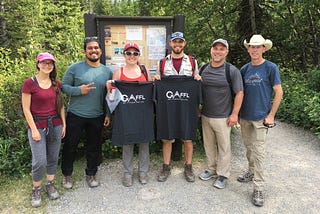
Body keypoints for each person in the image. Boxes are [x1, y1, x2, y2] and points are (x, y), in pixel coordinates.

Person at [61, 36, 112, 189]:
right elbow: (63, 87)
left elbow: (109, 96)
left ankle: (91, 174)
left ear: (101, 51)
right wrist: (79, 90)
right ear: (85, 51)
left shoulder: (107, 71)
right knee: (70, 145)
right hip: (75, 115)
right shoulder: (74, 68)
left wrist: (108, 114)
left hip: (97, 116)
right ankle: (67, 175)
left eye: (96, 48)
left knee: (93, 147)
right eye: (90, 48)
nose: (93, 50)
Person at [238, 34, 283, 207]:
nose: (255, 50)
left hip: (260, 119)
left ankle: (258, 188)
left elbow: (279, 92)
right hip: (245, 117)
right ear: (248, 49)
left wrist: (271, 115)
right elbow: (239, 93)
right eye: (252, 46)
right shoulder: (244, 69)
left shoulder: (271, 68)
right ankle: (250, 172)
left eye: (258, 47)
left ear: (264, 49)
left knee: (259, 153)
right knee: (249, 149)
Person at [154, 31, 201, 182]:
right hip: (168, 107)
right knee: (167, 138)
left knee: (188, 138)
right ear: (170, 44)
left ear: (184, 44)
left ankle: (188, 167)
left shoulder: (192, 62)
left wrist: (198, 80)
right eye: (175, 42)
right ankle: (166, 167)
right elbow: (158, 82)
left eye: (180, 42)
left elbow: (197, 81)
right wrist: (157, 80)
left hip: (187, 106)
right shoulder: (162, 62)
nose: (177, 44)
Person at [21, 52, 66, 207]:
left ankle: (50, 184)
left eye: (50, 63)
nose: (47, 66)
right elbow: (26, 109)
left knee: (53, 157)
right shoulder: (30, 83)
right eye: (44, 63)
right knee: (40, 160)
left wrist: (64, 124)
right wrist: (33, 129)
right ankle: (36, 188)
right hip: (38, 125)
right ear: (38, 64)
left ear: (53, 66)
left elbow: (60, 105)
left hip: (55, 124)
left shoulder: (56, 84)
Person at [198, 39, 244, 189]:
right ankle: (211, 169)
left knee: (224, 147)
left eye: (221, 49)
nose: (218, 51)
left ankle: (223, 175)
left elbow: (239, 93)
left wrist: (234, 114)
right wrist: (197, 108)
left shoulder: (231, 71)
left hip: (223, 117)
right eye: (215, 48)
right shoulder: (204, 68)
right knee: (209, 145)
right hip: (205, 115)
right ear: (211, 50)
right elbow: (198, 90)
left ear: (226, 52)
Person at [106, 42, 153, 187]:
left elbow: (152, 92)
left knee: (144, 143)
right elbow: (112, 97)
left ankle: (143, 172)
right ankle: (127, 173)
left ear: (139, 55)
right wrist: (109, 87)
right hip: (126, 115)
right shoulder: (118, 73)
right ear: (124, 55)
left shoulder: (145, 71)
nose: (132, 56)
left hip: (143, 114)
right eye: (129, 53)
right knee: (127, 143)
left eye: (135, 53)